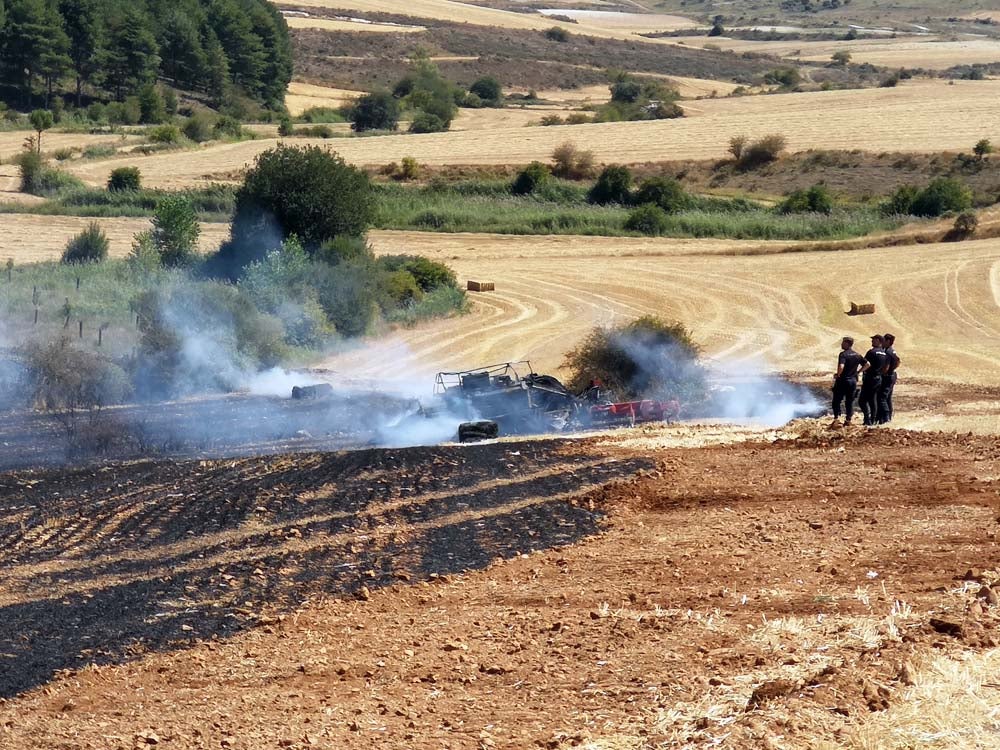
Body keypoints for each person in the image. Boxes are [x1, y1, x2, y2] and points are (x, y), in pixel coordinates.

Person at [831, 336, 866, 426]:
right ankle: (848, 420)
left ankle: (836, 418)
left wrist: (838, 374)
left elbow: (841, 366)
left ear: (847, 344)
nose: (841, 344)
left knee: (837, 400)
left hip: (843, 380)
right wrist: (858, 372)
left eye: (843, 343)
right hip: (853, 381)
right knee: (849, 401)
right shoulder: (857, 355)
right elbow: (867, 364)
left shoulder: (843, 354)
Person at [860, 334, 888, 426]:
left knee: (862, 400)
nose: (872, 341)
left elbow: (866, 364)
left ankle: (867, 419)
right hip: (878, 378)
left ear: (879, 341)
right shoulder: (884, 353)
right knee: (873, 400)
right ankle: (873, 419)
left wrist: (858, 372)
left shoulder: (871, 352)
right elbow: (886, 367)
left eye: (874, 340)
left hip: (870, 378)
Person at [879, 333, 900, 423]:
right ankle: (889, 417)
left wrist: (881, 373)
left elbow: (886, 367)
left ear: (888, 341)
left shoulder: (887, 352)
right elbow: (898, 362)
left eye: (883, 340)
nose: (881, 343)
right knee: (888, 398)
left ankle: (886, 418)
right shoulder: (892, 351)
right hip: (892, 375)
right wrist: (893, 369)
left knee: (882, 398)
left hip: (888, 376)